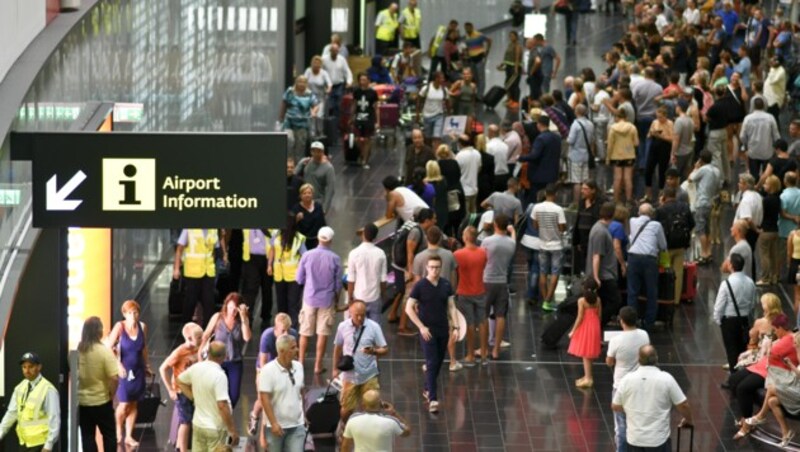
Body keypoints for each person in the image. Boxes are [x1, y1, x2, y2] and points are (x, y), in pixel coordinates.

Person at [611, 345, 693, 450]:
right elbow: (683, 405)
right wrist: (688, 419)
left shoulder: (626, 380)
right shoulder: (666, 379)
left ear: (638, 359)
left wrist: (631, 410)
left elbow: (615, 406)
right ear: (656, 359)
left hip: (634, 439)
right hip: (658, 440)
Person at [405, 255, 459, 413]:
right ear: (426, 268)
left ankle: (428, 387)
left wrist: (455, 327)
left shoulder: (446, 285)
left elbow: (451, 307)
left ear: (440, 268)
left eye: (437, 267)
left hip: (443, 329)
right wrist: (421, 327)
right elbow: (409, 308)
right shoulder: (420, 286)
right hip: (427, 331)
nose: (434, 270)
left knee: (438, 361)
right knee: (432, 360)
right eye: (432, 267)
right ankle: (433, 399)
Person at [730, 314, 794, 440]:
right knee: (734, 380)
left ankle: (748, 422)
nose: (775, 332)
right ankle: (747, 417)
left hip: (774, 371)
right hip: (764, 364)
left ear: (780, 328)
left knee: (743, 388)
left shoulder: (789, 341)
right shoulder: (781, 339)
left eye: (776, 330)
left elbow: (772, 353)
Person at [333, 300, 389, 426]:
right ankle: (345, 427)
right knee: (347, 408)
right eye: (356, 314)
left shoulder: (374, 327)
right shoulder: (342, 326)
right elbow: (337, 348)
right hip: (350, 375)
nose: (360, 318)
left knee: (371, 406)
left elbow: (385, 349)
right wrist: (335, 369)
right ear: (350, 313)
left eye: (363, 315)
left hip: (369, 374)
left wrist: (374, 351)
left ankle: (367, 430)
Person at [105, 300, 152, 448]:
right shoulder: (120, 327)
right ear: (124, 314)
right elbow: (108, 348)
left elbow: (144, 348)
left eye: (135, 312)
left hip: (138, 369)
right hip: (124, 371)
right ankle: (118, 432)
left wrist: (147, 366)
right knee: (124, 403)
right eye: (130, 313)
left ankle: (129, 435)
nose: (133, 315)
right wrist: (118, 365)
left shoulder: (142, 327)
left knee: (133, 403)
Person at [296, 226, 342, 375]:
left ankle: (301, 363)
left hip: (309, 298)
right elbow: (338, 284)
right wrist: (336, 301)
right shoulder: (335, 258)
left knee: (304, 332)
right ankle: (317, 365)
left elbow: (299, 278)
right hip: (327, 300)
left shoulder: (307, 255)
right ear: (331, 240)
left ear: (318, 238)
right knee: (322, 333)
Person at [744, 329, 800, 447]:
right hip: (796, 389)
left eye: (795, 343)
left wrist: (791, 365)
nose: (793, 344)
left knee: (771, 388)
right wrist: (790, 364)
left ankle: (761, 416)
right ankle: (786, 433)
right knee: (772, 401)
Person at [607, 307, 651, 452]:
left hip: (621, 386)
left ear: (622, 321)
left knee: (621, 425)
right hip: (641, 383)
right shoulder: (644, 335)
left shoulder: (616, 340)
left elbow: (609, 361)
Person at [249, 313, 299, 435]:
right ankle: (254, 416)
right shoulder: (267, 337)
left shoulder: (293, 335)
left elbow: (294, 357)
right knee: (263, 400)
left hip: (283, 367)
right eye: (283, 331)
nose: (286, 334)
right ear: (275, 330)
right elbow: (263, 363)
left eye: (288, 330)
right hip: (266, 367)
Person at [0, 352, 60, 452]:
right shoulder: (20, 388)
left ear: (39, 367)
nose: (27, 371)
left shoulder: (48, 390)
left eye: (31, 367)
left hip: (40, 444)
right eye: (24, 367)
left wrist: (48, 446)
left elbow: (54, 419)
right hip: (24, 443)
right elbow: (11, 413)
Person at [201, 293, 251, 408]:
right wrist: (200, 354)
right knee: (216, 392)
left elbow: (247, 337)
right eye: (230, 308)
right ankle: (218, 417)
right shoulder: (218, 317)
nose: (232, 311)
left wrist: (243, 318)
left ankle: (226, 414)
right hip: (217, 361)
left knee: (234, 395)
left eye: (235, 309)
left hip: (235, 361)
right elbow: (206, 335)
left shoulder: (242, 321)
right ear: (226, 306)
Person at [159, 322, 203, 452]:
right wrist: (170, 390)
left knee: (190, 420)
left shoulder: (198, 348)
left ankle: (179, 446)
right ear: (189, 338)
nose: (202, 340)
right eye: (199, 338)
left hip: (193, 390)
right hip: (181, 391)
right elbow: (163, 368)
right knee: (185, 422)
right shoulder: (179, 352)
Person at [257, 334, 305, 451]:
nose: (297, 350)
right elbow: (264, 398)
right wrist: (273, 423)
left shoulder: (299, 367)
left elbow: (300, 392)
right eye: (293, 348)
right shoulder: (268, 371)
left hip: (297, 425)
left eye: (296, 346)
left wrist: (303, 414)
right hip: (276, 427)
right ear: (282, 351)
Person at [77, 318, 118, 452]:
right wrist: (112, 394)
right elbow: (114, 378)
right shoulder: (104, 351)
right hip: (102, 401)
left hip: (84, 402)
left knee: (87, 436)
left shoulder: (79, 351)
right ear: (99, 332)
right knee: (109, 435)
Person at [480, 214, 517, 360]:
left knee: (483, 315)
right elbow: (514, 239)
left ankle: (483, 349)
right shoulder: (511, 244)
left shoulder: (487, 241)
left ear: (495, 225)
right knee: (500, 315)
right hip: (502, 282)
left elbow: (481, 258)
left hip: (487, 280)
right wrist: (512, 230)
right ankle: (496, 349)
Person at [714, 253, 757, 373]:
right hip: (745, 320)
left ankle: (733, 377)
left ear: (731, 265)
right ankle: (743, 374)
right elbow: (753, 303)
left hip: (729, 321)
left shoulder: (726, 283)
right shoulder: (750, 282)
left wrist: (719, 320)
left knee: (731, 350)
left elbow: (719, 305)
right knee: (743, 349)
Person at [627, 204, 667, 330]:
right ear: (652, 214)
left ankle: (631, 322)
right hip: (649, 260)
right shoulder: (656, 225)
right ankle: (649, 323)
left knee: (633, 291)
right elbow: (663, 245)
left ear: (638, 213)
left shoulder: (632, 221)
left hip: (633, 258)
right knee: (651, 292)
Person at [174, 228, 223, 326]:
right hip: (193, 272)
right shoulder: (189, 229)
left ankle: (208, 331)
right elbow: (179, 249)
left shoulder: (212, 230)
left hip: (208, 272)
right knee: (190, 302)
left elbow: (215, 249)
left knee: (209, 303)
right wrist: (176, 268)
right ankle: (186, 328)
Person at [454, 226, 488, 366]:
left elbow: (455, 272)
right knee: (482, 321)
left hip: (464, 292)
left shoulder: (458, 254)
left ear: (467, 237)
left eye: (463, 234)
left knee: (469, 323)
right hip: (480, 290)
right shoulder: (483, 252)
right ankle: (484, 354)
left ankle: (470, 356)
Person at [655, 187, 694, 306]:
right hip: (680, 246)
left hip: (665, 249)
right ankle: (676, 300)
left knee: (665, 271)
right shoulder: (684, 207)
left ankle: (665, 297)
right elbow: (692, 223)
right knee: (678, 273)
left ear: (663, 197)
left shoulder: (661, 210)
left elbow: (656, 227)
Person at [586, 202, 622, 326]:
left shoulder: (600, 229)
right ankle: (597, 324)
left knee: (605, 302)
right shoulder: (600, 231)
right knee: (615, 301)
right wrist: (596, 277)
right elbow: (597, 255)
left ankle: (597, 326)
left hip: (604, 274)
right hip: (604, 275)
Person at [341, 389, 411, 452]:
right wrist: (394, 413)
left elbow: (345, 446)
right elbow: (407, 432)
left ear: (363, 405)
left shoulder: (353, 420)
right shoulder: (391, 422)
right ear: (381, 404)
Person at [270, 213, 308, 328]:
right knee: (282, 304)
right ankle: (281, 328)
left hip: (293, 276)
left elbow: (305, 256)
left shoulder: (298, 238)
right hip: (279, 275)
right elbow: (272, 250)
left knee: (292, 305)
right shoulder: (275, 235)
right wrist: (269, 264)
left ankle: (292, 329)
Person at [533, 184, 567, 311]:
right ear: (556, 194)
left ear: (545, 193)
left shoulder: (537, 207)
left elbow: (535, 225)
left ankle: (545, 300)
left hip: (542, 243)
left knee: (543, 272)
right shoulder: (558, 209)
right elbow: (562, 228)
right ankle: (548, 300)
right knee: (555, 272)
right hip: (556, 245)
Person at [347, 223, 388, 323]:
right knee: (374, 329)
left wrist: (350, 297)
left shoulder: (354, 253)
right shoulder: (381, 254)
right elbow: (383, 279)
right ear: (375, 236)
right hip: (375, 297)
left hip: (359, 297)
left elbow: (351, 279)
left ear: (363, 234)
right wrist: (382, 295)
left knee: (357, 327)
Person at [519, 115, 562, 205]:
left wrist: (520, 157)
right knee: (548, 198)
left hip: (539, 175)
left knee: (533, 200)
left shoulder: (540, 138)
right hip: (552, 174)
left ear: (539, 125)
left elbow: (534, 156)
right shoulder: (557, 138)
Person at [568, 279, 602, 388]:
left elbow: (580, 317)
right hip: (595, 325)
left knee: (585, 353)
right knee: (589, 352)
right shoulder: (598, 300)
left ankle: (588, 378)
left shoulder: (582, 301)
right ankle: (588, 375)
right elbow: (599, 315)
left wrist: (573, 330)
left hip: (586, 326)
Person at [689, 151, 721, 264]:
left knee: (701, 229)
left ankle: (703, 253)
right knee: (707, 229)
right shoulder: (716, 171)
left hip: (701, 202)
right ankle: (709, 252)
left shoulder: (703, 170)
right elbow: (719, 186)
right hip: (710, 202)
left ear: (701, 160)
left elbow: (690, 179)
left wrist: (696, 168)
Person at [240, 228, 276, 327]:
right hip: (250, 259)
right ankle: (248, 317)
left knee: (267, 288)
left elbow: (274, 239)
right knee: (250, 289)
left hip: (268, 258)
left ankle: (266, 316)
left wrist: (270, 263)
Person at [280, 75, 319, 162]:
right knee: (289, 141)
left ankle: (297, 168)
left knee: (300, 147)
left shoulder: (309, 94)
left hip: (302, 124)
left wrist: (314, 112)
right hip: (289, 122)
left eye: (304, 82)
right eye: (299, 81)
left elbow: (315, 105)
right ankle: (288, 165)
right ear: (296, 82)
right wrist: (281, 118)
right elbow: (284, 103)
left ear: (306, 84)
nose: (301, 84)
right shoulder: (290, 91)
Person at [740, 97, 780, 179]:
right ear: (764, 105)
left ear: (753, 106)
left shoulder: (748, 118)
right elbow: (776, 135)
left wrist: (746, 146)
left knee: (754, 176)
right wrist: (776, 149)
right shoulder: (770, 117)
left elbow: (742, 136)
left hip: (753, 152)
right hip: (767, 152)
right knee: (767, 176)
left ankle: (755, 189)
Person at [607, 109, 638, 205]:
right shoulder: (632, 127)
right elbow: (636, 143)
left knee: (617, 178)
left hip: (616, 156)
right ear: (626, 117)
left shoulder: (612, 128)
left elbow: (610, 145)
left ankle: (616, 200)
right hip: (629, 155)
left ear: (617, 117)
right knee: (628, 178)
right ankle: (628, 199)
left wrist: (608, 158)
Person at [295, 142, 336, 215]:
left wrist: (325, 208)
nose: (316, 153)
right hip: (304, 200)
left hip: (317, 201)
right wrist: (301, 164)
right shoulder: (306, 162)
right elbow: (294, 174)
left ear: (322, 152)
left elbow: (331, 189)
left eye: (319, 151)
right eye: (314, 151)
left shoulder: (329, 168)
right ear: (311, 152)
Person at [734, 173, 763, 277]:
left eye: (740, 183)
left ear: (746, 185)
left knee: (744, 256)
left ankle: (746, 278)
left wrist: (755, 230)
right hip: (754, 229)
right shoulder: (758, 196)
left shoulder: (746, 200)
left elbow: (748, 219)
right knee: (750, 254)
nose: (738, 184)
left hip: (747, 231)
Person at [643, 107, 674, 203]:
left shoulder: (670, 124)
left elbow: (672, 139)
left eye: (661, 117)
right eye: (658, 117)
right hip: (654, 146)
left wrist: (661, 136)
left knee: (662, 171)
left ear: (665, 116)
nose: (659, 119)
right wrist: (652, 134)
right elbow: (648, 135)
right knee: (648, 170)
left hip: (664, 148)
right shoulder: (654, 122)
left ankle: (661, 194)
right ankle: (648, 194)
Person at [566, 104, 594, 206]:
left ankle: (576, 203)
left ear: (576, 112)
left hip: (575, 155)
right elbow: (591, 140)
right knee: (585, 180)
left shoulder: (575, 124)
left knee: (576, 181)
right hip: (586, 155)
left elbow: (571, 140)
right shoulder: (590, 124)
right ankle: (585, 201)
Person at [757, 175, 782, 286]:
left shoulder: (766, 200)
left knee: (764, 255)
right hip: (775, 230)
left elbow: (761, 215)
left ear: (771, 186)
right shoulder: (778, 199)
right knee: (774, 255)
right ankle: (774, 276)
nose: (764, 185)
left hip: (765, 231)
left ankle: (765, 278)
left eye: (766, 184)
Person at [351, 72, 379, 168]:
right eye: (361, 80)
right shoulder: (356, 91)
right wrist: (351, 117)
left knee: (367, 139)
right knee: (357, 139)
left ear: (368, 81)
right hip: (359, 117)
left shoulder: (373, 93)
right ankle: (363, 153)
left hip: (369, 118)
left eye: (364, 80)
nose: (362, 82)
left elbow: (376, 107)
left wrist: (377, 121)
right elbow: (354, 104)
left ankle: (364, 160)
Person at [416, 71, 450, 149]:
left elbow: (447, 101)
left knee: (437, 136)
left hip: (439, 115)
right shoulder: (426, 88)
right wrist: (417, 113)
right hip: (427, 115)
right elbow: (419, 99)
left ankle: (437, 153)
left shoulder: (444, 90)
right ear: (436, 79)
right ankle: (429, 152)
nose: (443, 80)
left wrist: (449, 113)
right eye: (441, 78)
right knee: (428, 137)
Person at [322, 43, 353, 119]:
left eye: (336, 50)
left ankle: (336, 124)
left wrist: (349, 82)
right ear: (330, 51)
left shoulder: (342, 59)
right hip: (328, 86)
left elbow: (347, 71)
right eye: (333, 50)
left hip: (339, 85)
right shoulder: (324, 59)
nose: (335, 52)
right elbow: (321, 72)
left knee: (338, 105)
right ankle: (329, 123)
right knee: (329, 105)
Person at [303, 55, 332, 138]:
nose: (316, 65)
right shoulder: (308, 71)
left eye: (318, 63)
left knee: (319, 116)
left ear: (320, 65)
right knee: (311, 116)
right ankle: (312, 134)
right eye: (314, 63)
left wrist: (328, 89)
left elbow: (329, 84)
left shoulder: (324, 73)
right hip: (309, 97)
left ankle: (320, 132)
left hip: (320, 98)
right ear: (312, 63)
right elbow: (304, 80)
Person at [463, 22, 492, 97]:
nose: (467, 29)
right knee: (475, 77)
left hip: (479, 58)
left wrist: (487, 51)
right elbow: (468, 47)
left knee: (481, 77)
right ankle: (476, 91)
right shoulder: (466, 37)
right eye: (466, 28)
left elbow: (489, 40)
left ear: (472, 27)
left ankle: (480, 95)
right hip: (472, 59)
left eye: (468, 27)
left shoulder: (479, 35)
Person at [455, 134, 481, 214]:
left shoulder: (459, 156)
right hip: (474, 188)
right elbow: (479, 168)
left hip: (464, 190)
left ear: (460, 144)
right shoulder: (477, 153)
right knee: (473, 213)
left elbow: (457, 172)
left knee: (466, 215)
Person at [500, 31, 523, 102]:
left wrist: (516, 69)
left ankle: (515, 101)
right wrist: (502, 64)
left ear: (516, 37)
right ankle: (509, 99)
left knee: (514, 85)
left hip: (514, 67)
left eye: (513, 36)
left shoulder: (517, 46)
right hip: (509, 67)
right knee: (507, 84)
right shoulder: (510, 45)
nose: (511, 37)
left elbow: (517, 57)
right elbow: (506, 57)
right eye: (510, 36)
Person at [486, 125, 510, 192]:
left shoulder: (488, 146)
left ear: (491, 133)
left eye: (488, 132)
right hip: (505, 176)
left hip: (494, 176)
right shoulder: (505, 145)